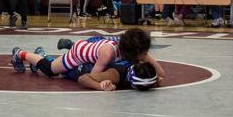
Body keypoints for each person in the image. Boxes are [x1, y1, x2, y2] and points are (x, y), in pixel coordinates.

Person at [10, 28, 164, 91]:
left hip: (94, 46)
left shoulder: (126, 48)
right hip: (78, 53)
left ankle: (47, 52)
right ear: (134, 52)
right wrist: (101, 85)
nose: (145, 56)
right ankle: (21, 53)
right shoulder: (108, 53)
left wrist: (146, 55)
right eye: (143, 53)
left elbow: (161, 73)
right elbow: (92, 76)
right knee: (50, 70)